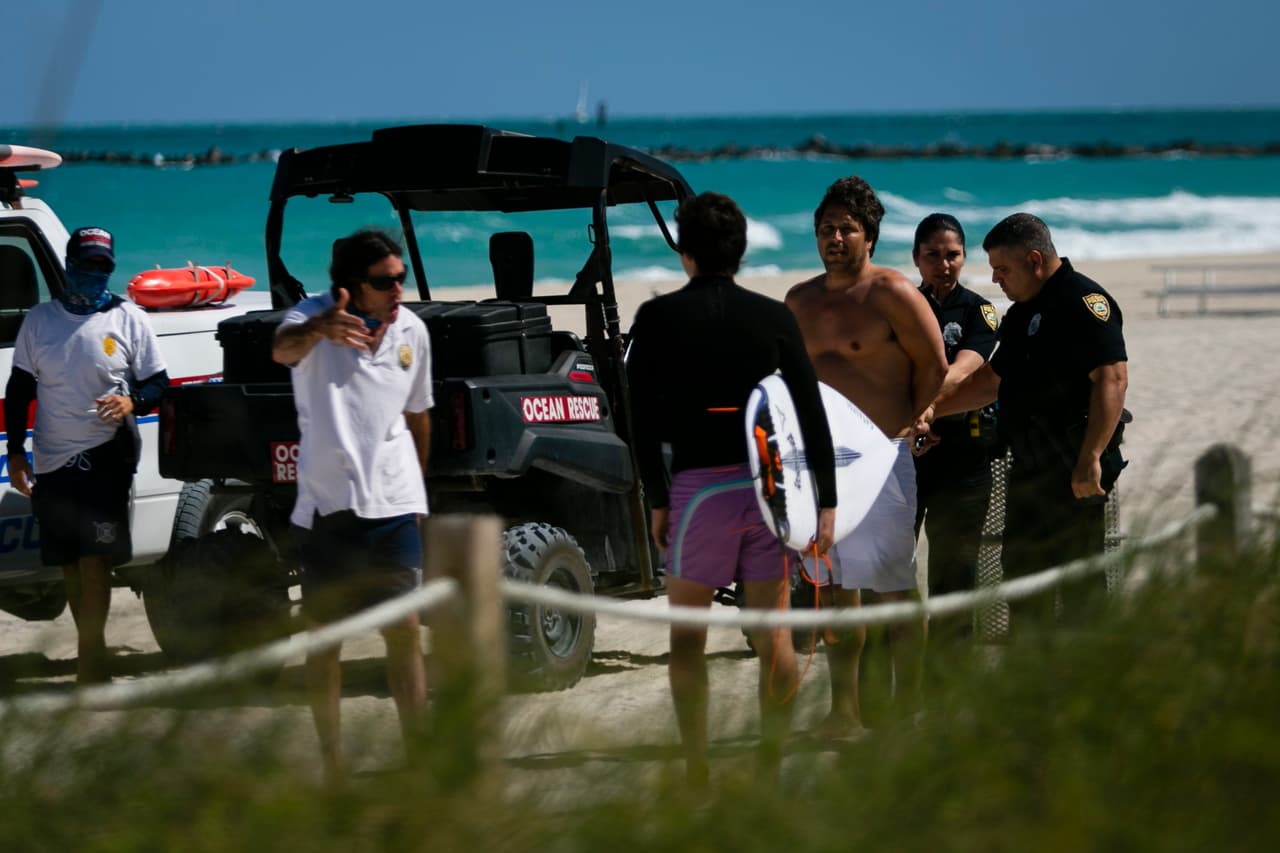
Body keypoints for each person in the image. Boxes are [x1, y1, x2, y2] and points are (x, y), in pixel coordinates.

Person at [627, 191, 837, 787]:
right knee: (774, 638)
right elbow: (810, 411)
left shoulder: (657, 318)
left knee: (687, 642)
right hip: (766, 491)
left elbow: (640, 417)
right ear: (741, 250)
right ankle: (769, 771)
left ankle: (698, 773)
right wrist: (825, 500)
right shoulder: (774, 317)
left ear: (684, 250)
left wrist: (658, 498)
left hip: (697, 492)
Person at [271, 228, 433, 783]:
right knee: (325, 637)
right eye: (384, 282)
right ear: (350, 285)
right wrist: (322, 327)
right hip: (329, 503)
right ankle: (334, 763)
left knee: (404, 627)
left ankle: (419, 758)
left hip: (393, 500)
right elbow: (281, 349)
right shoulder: (311, 320)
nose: (397, 290)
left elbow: (418, 415)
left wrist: (416, 491)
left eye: (400, 279)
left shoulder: (412, 330)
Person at [786, 177, 947, 735]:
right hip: (819, 465)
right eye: (826, 229)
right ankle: (844, 713)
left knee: (895, 585)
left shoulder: (892, 293)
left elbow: (935, 364)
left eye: (847, 229)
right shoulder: (799, 301)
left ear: (869, 236)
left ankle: (910, 709)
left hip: (880, 458)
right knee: (834, 591)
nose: (834, 238)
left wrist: (916, 417)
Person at [920, 213, 1128, 625]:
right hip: (1028, 468)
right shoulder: (1020, 315)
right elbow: (989, 382)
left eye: (1002, 269)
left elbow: (1113, 378)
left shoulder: (1083, 302)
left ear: (1034, 260)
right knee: (1021, 576)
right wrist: (928, 411)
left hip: (1073, 465)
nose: (995, 278)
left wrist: (1091, 456)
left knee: (1079, 580)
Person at [4, 227, 169, 684]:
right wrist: (16, 453)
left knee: (95, 559)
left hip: (106, 454)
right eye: (86, 264)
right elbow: (19, 390)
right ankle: (90, 653)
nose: (94, 273)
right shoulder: (40, 320)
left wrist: (132, 401)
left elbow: (158, 382)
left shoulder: (128, 318)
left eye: (102, 266)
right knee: (70, 562)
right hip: (53, 458)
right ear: (69, 265)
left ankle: (92, 663)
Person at [909, 214, 999, 636]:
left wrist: (925, 410)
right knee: (892, 571)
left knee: (955, 577)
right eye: (932, 255)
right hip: (906, 457)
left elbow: (967, 368)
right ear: (916, 258)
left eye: (952, 255)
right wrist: (914, 421)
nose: (943, 265)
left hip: (964, 459)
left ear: (964, 257)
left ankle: (951, 670)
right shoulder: (902, 309)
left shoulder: (980, 310)